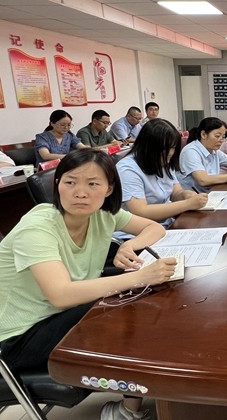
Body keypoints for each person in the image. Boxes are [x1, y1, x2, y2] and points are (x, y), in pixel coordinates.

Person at [0, 148, 176, 420]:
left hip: (59, 315)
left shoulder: (103, 215)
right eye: (70, 182)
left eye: (93, 184)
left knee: (135, 301)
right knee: (127, 306)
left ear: (108, 189)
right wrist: (139, 276)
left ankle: (145, 398)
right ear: (57, 184)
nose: (80, 193)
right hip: (17, 338)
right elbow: (60, 295)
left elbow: (155, 228)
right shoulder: (37, 226)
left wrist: (129, 245)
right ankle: (128, 410)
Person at [116, 119, 208, 227]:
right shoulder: (127, 169)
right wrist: (187, 204)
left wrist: (186, 195)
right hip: (138, 232)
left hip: (165, 224)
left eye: (173, 148)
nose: (170, 153)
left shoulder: (164, 161)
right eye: (164, 149)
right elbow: (141, 211)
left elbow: (176, 193)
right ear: (148, 147)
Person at [178, 117, 227, 193]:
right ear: (203, 134)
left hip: (213, 192)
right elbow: (203, 180)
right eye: (217, 136)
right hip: (195, 196)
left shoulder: (214, 151)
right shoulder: (191, 151)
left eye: (223, 137)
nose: (221, 140)